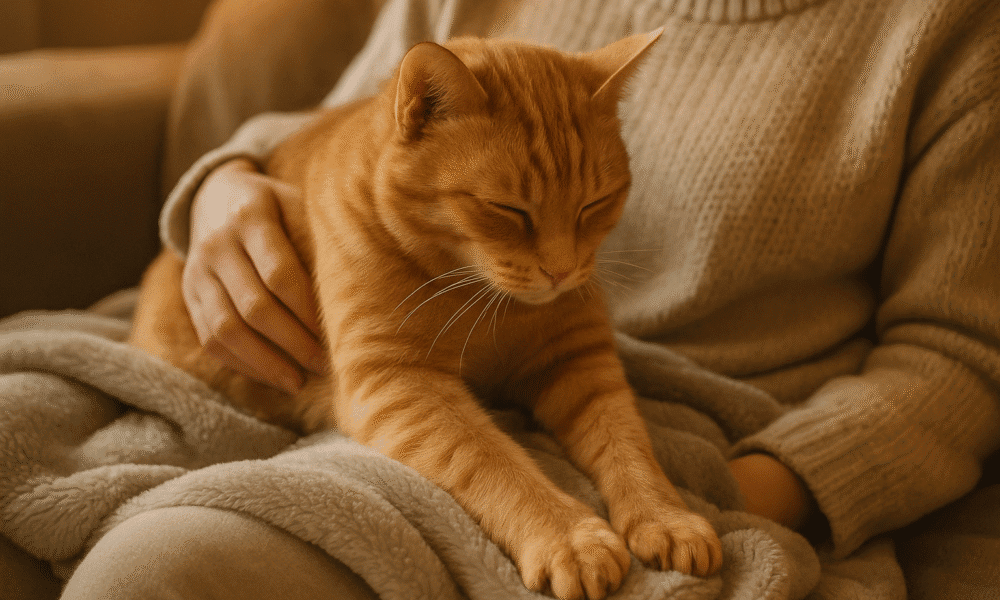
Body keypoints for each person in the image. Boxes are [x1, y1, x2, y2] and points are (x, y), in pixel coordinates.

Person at [54, 0, 1000, 597]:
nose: (560, 265)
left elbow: (961, 355)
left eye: (595, 212)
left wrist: (741, 493)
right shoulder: (439, 79)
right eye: (513, 217)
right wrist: (226, 181)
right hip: (337, 390)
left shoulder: (953, 25)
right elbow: (356, 125)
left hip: (726, 434)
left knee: (152, 572)